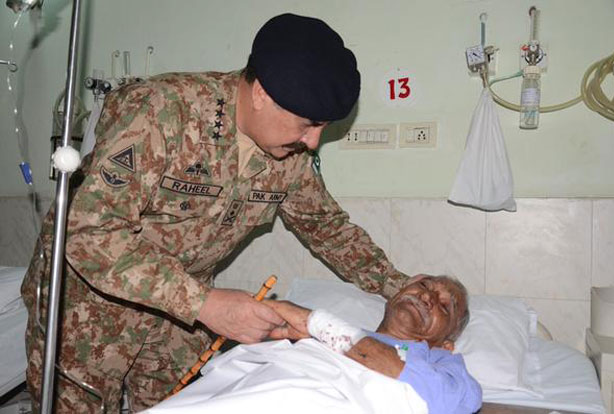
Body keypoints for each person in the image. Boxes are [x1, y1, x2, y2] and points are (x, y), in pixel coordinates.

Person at [21, 13, 410, 413]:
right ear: (261, 94)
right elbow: (88, 232)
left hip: (177, 322)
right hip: (89, 306)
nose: (312, 143)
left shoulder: (287, 158)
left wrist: (401, 287)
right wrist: (205, 303)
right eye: (308, 125)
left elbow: (327, 228)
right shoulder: (163, 112)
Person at [266, 275, 482, 414]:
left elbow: (443, 402)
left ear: (445, 344)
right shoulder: (316, 335)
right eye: (424, 285)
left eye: (444, 306)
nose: (426, 296)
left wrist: (315, 322)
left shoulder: (442, 363)